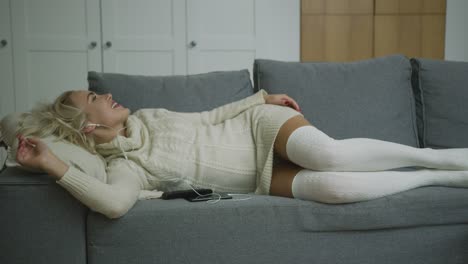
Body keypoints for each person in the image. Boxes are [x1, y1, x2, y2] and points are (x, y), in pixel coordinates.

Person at [15, 89, 468, 219]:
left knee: (328, 156)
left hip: (259, 129)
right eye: (95, 96)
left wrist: (260, 100)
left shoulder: (149, 115)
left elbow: (209, 117)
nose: (108, 93)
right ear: (89, 126)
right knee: (334, 187)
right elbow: (113, 204)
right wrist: (52, 164)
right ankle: (438, 178)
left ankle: (435, 156)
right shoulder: (126, 168)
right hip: (261, 178)